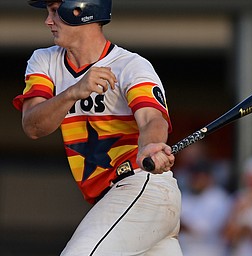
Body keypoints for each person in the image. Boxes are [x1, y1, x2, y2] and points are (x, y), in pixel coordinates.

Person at [13, 0, 182, 255]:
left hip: (141, 186)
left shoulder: (130, 65)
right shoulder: (44, 60)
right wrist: (74, 92)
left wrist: (150, 146)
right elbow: (33, 126)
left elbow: (151, 119)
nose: (48, 21)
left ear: (81, 9)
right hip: (113, 201)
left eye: (55, 11)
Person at [179, 159, 232, 256]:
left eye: (199, 177)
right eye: (194, 177)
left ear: (208, 178)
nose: (196, 181)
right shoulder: (184, 196)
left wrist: (182, 224)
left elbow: (206, 230)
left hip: (211, 251)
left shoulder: (219, 198)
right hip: (186, 251)